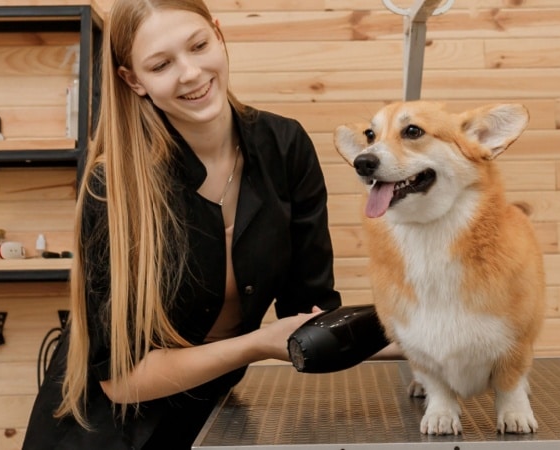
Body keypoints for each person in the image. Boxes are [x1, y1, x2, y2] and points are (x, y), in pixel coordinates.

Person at [22, 0, 342, 448]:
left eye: (198, 45)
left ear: (219, 33)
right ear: (133, 80)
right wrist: (255, 345)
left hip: (209, 419)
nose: (190, 73)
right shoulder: (111, 186)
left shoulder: (285, 147)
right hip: (103, 433)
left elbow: (312, 316)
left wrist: (435, 340)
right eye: (161, 64)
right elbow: (120, 379)